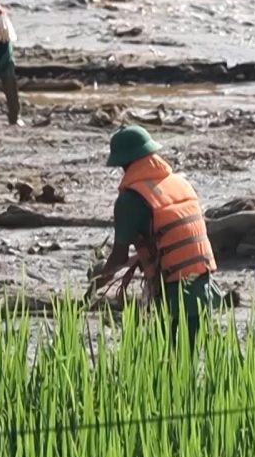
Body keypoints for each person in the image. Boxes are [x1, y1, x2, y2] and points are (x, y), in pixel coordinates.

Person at [89, 125, 224, 348]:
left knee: (164, 361)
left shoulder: (130, 200)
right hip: (205, 287)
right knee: (188, 363)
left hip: (173, 293)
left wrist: (98, 282)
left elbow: (119, 257)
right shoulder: (181, 183)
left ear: (123, 162)